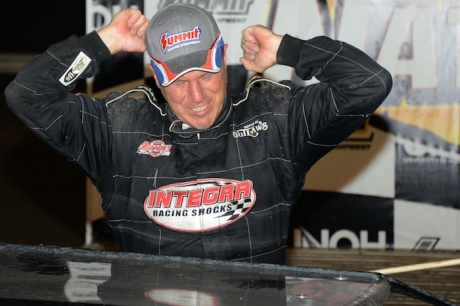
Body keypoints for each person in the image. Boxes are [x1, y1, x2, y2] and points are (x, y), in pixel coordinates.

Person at [5, 3, 392, 264]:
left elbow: (369, 83)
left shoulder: (277, 116)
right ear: (156, 76)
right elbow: (27, 95)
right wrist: (100, 42)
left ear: (223, 57)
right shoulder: (116, 126)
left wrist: (289, 50)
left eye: (206, 73)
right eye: (177, 80)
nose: (196, 95)